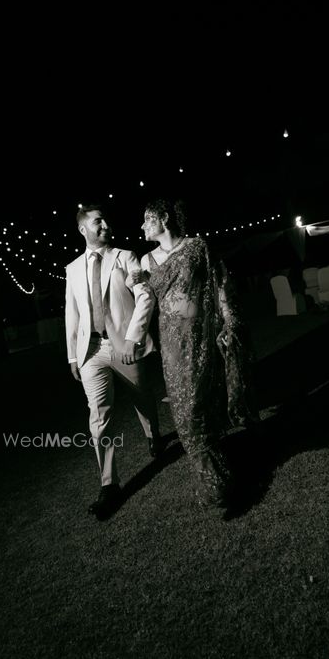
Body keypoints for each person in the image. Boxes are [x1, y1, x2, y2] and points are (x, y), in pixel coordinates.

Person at [128, 198, 259, 507]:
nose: (142, 225)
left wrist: (229, 320)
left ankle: (222, 465)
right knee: (185, 409)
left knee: (203, 399)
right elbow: (146, 300)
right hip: (172, 343)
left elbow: (219, 282)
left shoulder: (197, 247)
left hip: (203, 335)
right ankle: (214, 481)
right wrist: (135, 284)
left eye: (147, 219)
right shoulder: (146, 261)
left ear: (164, 218)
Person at [65, 204, 162, 519]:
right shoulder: (72, 269)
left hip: (124, 345)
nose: (105, 224)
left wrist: (133, 339)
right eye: (98, 221)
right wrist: (72, 355)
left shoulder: (125, 257)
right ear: (83, 229)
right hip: (91, 352)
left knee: (142, 397)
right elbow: (72, 313)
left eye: (105, 219)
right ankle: (109, 484)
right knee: (99, 417)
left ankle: (153, 436)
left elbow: (145, 296)